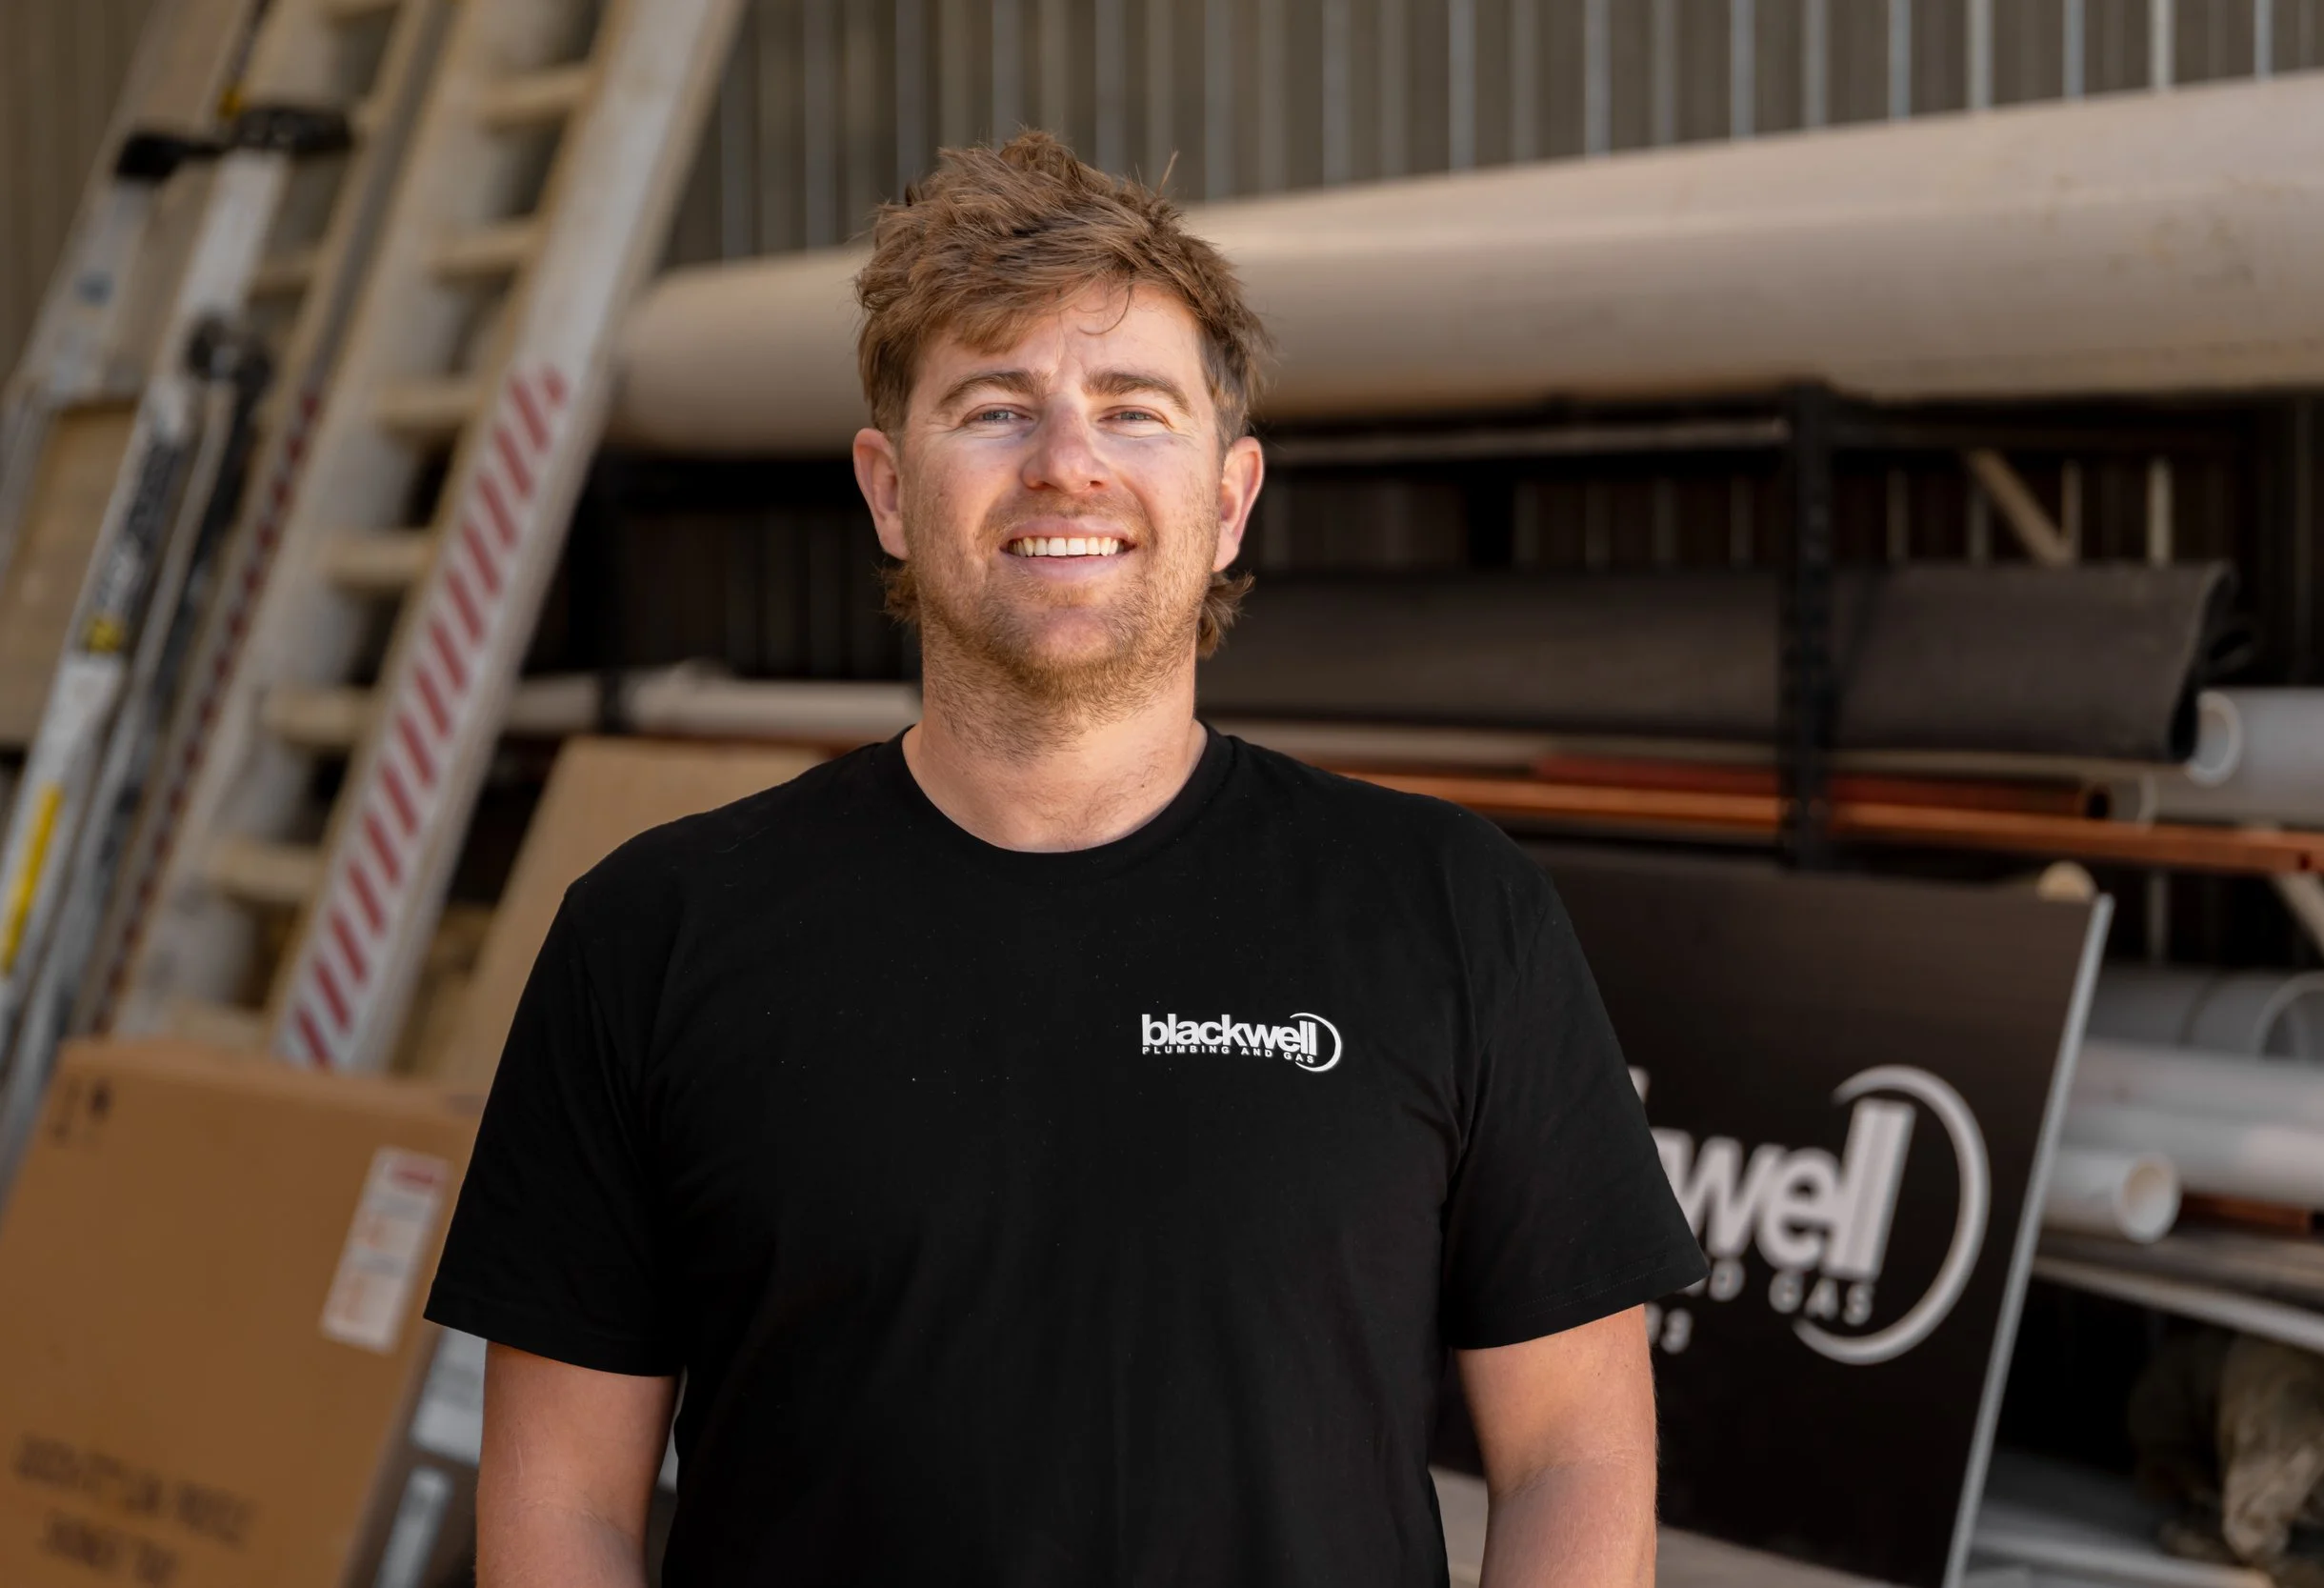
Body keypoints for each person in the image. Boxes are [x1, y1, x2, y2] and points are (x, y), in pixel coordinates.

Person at [426, 131, 1706, 1587]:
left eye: (1132, 410)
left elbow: (1574, 1453)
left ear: (1229, 501)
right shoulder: (652, 934)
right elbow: (564, 1502)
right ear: (887, 489)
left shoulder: (1450, 911)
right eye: (994, 409)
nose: (1067, 463)